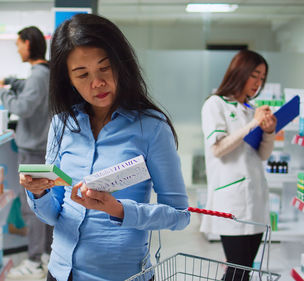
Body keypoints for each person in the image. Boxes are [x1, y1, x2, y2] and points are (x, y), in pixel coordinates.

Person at [19, 14, 190, 281]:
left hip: (124, 275)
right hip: (62, 273)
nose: (97, 83)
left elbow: (179, 216)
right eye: (82, 74)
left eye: (105, 68)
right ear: (69, 80)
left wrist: (119, 210)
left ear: (122, 65)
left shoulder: (152, 128)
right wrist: (38, 193)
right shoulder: (61, 124)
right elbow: (53, 215)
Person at [200, 50, 277, 281]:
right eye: (255, 75)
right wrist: (253, 124)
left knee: (244, 271)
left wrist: (269, 131)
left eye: (262, 77)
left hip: (255, 200)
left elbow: (262, 154)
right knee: (237, 271)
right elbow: (218, 149)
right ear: (239, 72)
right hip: (232, 201)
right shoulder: (215, 104)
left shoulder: (250, 109)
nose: (258, 82)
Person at [0, 26, 52, 279]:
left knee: (33, 207)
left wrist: (3, 92)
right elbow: (29, 87)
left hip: (33, 150)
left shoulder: (38, 75)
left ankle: (35, 260)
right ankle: (46, 254)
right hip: (41, 147)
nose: (17, 49)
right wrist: (11, 81)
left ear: (28, 44)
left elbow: (24, 107)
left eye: (18, 43)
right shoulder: (44, 72)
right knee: (44, 204)